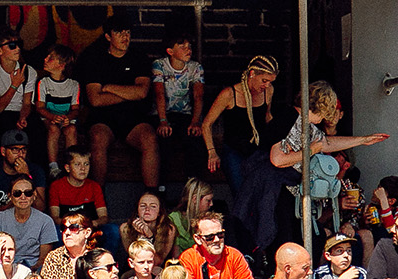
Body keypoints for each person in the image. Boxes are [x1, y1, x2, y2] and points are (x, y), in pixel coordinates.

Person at [232, 81, 387, 253]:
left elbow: (326, 143)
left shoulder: (308, 125)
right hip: (271, 187)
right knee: (278, 236)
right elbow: (277, 159)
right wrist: (311, 150)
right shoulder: (288, 118)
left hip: (285, 188)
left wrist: (363, 140)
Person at [78, 19, 158, 189]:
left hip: (133, 118)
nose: (125, 37)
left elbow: (142, 92)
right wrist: (130, 93)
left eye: (127, 32)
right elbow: (95, 99)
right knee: (98, 139)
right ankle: (97, 198)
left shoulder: (139, 58)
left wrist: (109, 88)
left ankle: (153, 197)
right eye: (119, 33)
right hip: (103, 118)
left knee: (149, 138)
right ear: (108, 36)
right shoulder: (95, 59)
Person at [201, 56, 277, 189]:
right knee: (240, 191)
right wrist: (212, 152)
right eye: (264, 81)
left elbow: (267, 116)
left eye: (270, 82)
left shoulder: (268, 91)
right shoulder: (229, 94)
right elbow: (207, 124)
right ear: (252, 74)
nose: (267, 85)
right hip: (234, 150)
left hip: (258, 150)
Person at [151, 35, 206, 184]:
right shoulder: (160, 65)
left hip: (185, 115)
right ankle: (161, 191)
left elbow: (198, 96)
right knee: (163, 143)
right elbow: (159, 94)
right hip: (163, 114)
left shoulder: (195, 67)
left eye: (189, 46)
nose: (188, 49)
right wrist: (163, 121)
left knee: (195, 142)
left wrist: (195, 122)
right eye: (182, 46)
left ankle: (193, 187)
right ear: (170, 51)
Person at [0, 29, 37, 163]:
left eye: (18, 44)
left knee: (36, 129)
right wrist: (14, 85)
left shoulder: (29, 71)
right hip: (1, 114)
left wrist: (23, 117)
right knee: (3, 129)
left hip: (21, 111)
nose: (17, 48)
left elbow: (27, 103)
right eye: (12, 46)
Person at [0, 176, 58, 269]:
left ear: (34, 194)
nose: (23, 197)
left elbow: (43, 259)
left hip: (34, 271)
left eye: (28, 193)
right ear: (9, 196)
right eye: (17, 193)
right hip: (4, 268)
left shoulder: (46, 221)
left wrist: (26, 275)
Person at [0, 130, 48, 218]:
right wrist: (6, 208)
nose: (20, 155)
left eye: (23, 150)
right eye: (15, 150)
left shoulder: (35, 171)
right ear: (3, 151)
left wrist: (26, 176)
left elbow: (40, 208)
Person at [35, 45, 80, 170]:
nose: (45, 59)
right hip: (48, 118)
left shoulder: (73, 85)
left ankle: (72, 165)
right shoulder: (43, 82)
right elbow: (39, 108)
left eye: (50, 58)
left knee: (71, 130)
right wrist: (53, 117)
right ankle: (53, 167)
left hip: (66, 119)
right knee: (53, 129)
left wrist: (67, 118)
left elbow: (75, 109)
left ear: (62, 65)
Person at [38, 213, 97, 279]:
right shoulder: (54, 257)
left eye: (73, 228)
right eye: (64, 228)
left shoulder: (98, 258)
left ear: (87, 232)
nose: (67, 233)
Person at [48, 147, 107, 228]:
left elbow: (104, 217)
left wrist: (94, 223)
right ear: (68, 168)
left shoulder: (94, 186)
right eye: (77, 164)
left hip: (90, 227)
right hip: (67, 228)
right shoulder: (56, 186)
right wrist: (73, 225)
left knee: (112, 230)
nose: (83, 168)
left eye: (86, 164)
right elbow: (54, 218)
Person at [163, 178, 215, 255]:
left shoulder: (208, 220)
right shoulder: (174, 219)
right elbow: (175, 254)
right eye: (208, 200)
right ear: (195, 199)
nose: (211, 204)